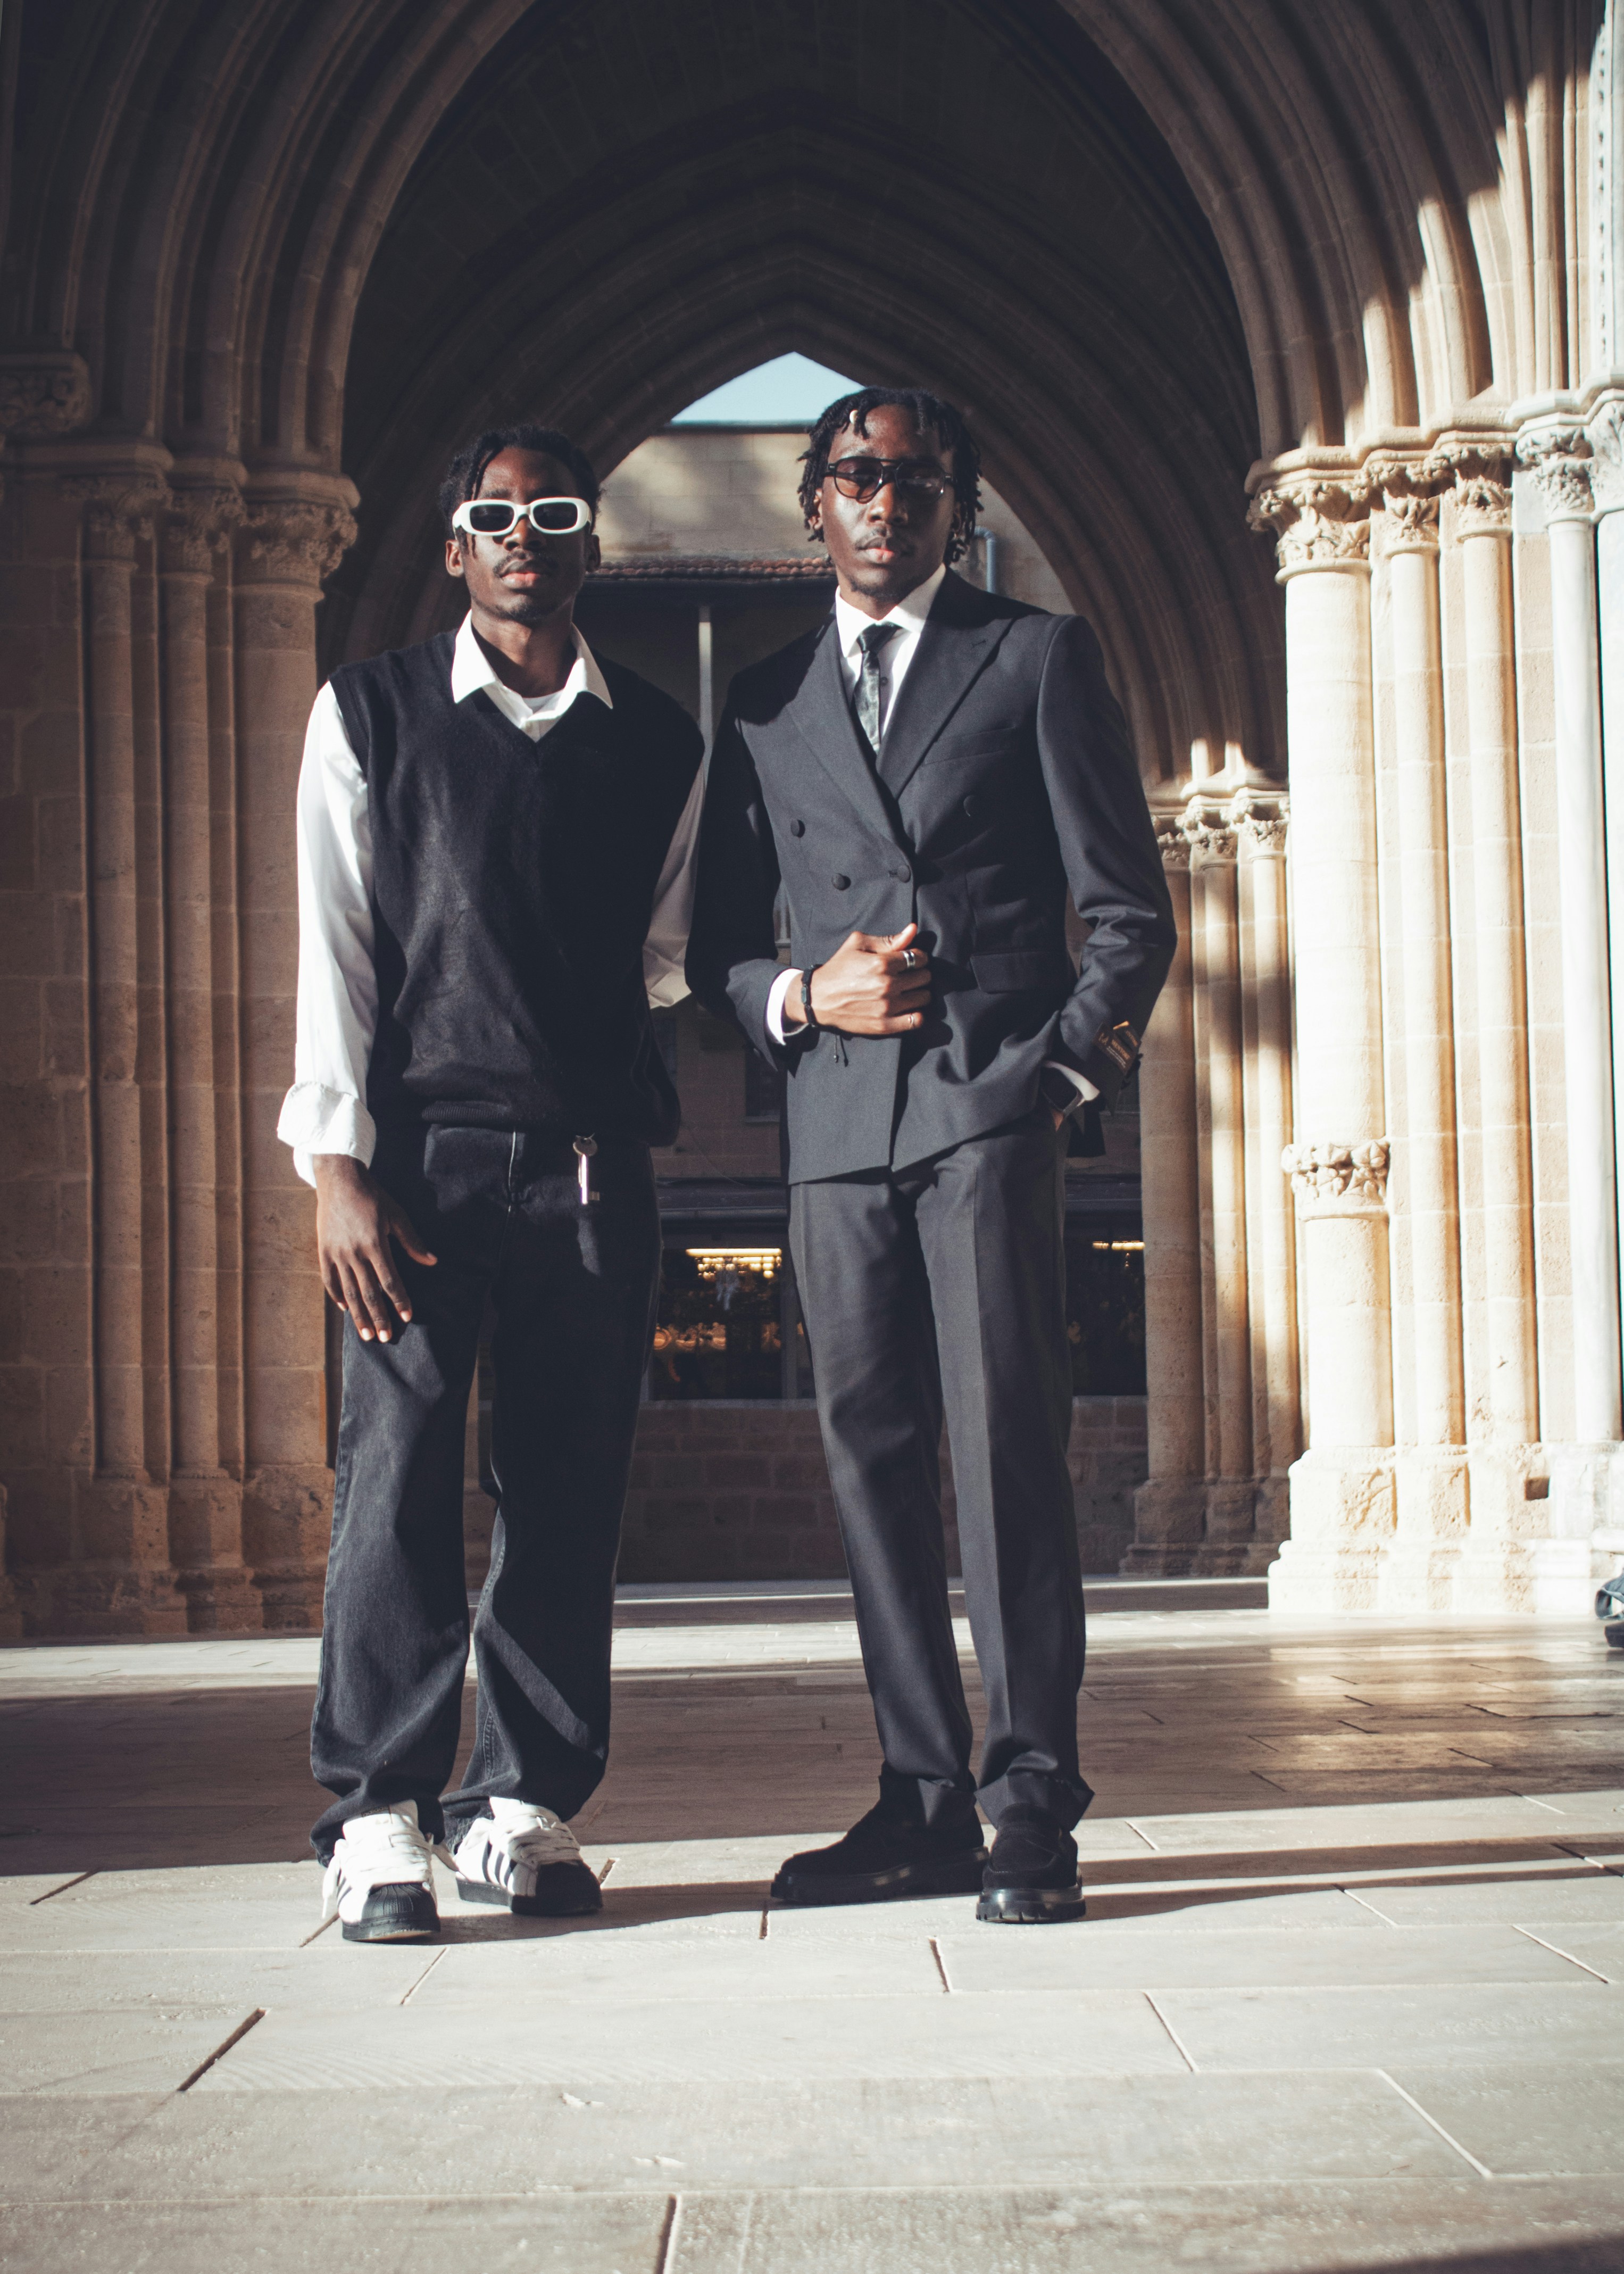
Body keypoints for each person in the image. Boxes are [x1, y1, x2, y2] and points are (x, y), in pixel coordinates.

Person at [687, 388, 1174, 1923]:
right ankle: (919, 1800)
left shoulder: (1034, 658)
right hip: (834, 1132)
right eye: (856, 476)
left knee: (1009, 1452)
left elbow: (1130, 916)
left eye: (916, 478)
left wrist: (1059, 1074)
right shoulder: (763, 698)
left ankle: (1031, 1800)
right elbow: (715, 946)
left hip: (987, 1113)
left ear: (957, 506)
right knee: (874, 1465)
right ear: (813, 506)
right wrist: (798, 997)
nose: (885, 500)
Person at [278, 424, 704, 1941]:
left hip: (589, 1169)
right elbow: (336, 948)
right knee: (394, 1482)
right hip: (418, 1175)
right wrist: (336, 1165)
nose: (528, 535)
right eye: (497, 515)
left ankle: (519, 1805)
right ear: (457, 547)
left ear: (593, 542)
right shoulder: (372, 713)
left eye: (556, 513)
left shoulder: (660, 742)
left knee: (567, 1488)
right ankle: (374, 1811)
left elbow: (661, 964)